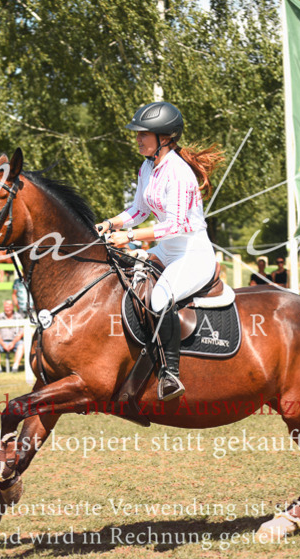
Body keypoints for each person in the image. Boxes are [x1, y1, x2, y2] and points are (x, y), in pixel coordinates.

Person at [97, 101, 223, 401]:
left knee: (160, 297)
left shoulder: (179, 173)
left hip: (192, 253)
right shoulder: (148, 166)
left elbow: (177, 226)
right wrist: (109, 223)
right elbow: (139, 210)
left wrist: (128, 235)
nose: (138, 138)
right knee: (127, 280)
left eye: (144, 134)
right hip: (167, 250)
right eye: (138, 133)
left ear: (165, 137)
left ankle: (169, 374)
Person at [0, 300, 26, 373]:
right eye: (5, 307)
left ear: (12, 307)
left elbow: (21, 332)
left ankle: (15, 367)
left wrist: (13, 343)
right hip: (1, 342)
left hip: (15, 341)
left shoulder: (19, 317)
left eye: (9, 307)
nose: (7, 309)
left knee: (22, 345)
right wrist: (3, 344)